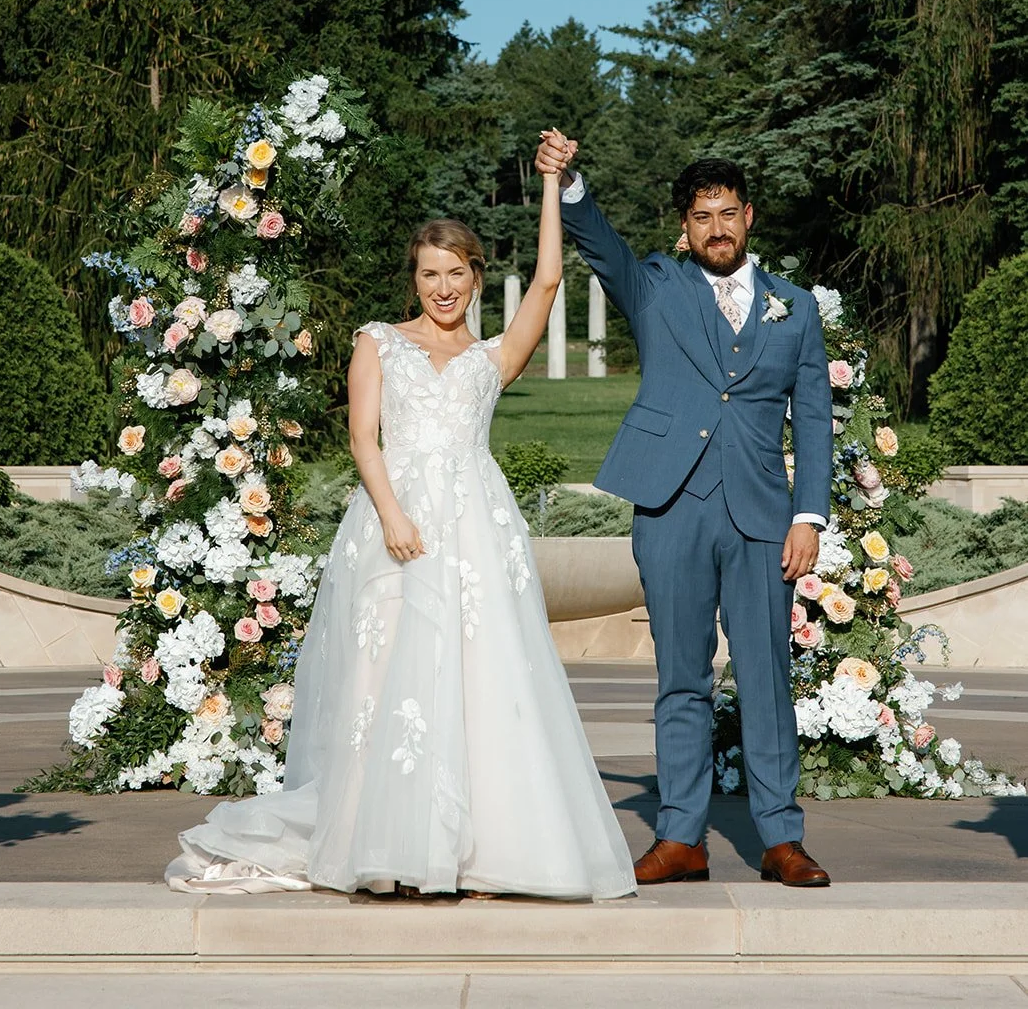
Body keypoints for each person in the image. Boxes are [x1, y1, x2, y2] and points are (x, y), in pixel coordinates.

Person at [166, 134, 635, 900]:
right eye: (428, 274)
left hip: (477, 528)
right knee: (386, 682)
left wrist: (552, 182)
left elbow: (549, 279)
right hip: (396, 527)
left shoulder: (494, 357)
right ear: (412, 279)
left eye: (455, 273)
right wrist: (390, 516)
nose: (442, 288)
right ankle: (384, 846)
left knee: (481, 680)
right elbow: (363, 437)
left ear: (475, 276)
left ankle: (480, 853)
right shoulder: (378, 342)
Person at [535, 135, 833, 889]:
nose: (716, 229)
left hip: (763, 517)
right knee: (680, 678)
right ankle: (680, 839)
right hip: (670, 508)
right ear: (685, 226)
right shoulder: (656, 286)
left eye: (727, 214)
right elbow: (600, 246)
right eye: (702, 217)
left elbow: (814, 419)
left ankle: (781, 839)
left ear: (749, 217)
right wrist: (568, 180)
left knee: (765, 679)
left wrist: (809, 516)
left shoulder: (794, 308)